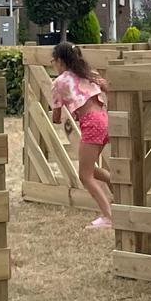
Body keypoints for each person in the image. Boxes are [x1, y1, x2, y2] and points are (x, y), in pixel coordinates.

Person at [50, 40, 115, 229]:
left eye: (53, 61)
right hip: (104, 120)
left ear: (60, 61)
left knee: (85, 175)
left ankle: (108, 216)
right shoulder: (86, 74)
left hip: (91, 123)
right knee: (89, 169)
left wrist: (57, 117)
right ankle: (115, 183)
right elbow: (106, 88)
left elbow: (56, 115)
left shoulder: (59, 82)